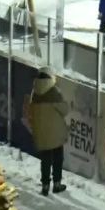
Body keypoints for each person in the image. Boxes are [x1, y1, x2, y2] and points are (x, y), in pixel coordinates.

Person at [27, 68, 69, 196]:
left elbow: (31, 111)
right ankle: (57, 184)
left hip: (41, 132)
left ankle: (45, 186)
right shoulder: (54, 91)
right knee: (57, 158)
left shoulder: (35, 92)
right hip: (56, 132)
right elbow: (65, 110)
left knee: (45, 159)